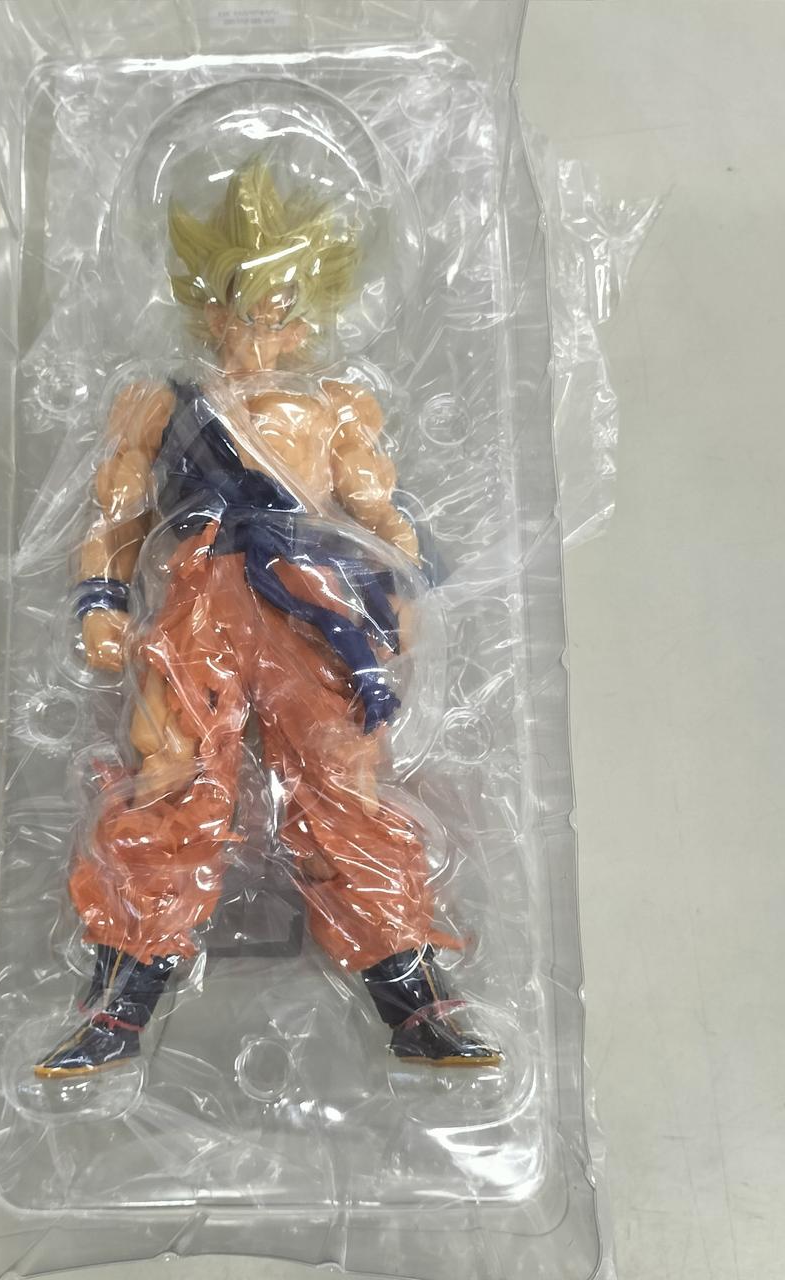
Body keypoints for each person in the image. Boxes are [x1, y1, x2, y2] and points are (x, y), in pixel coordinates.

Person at [36, 159, 497, 1078]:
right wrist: (101, 598)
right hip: (197, 603)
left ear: (304, 318)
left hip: (309, 605)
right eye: (239, 307)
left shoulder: (335, 406)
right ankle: (118, 1000)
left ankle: (414, 1000)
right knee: (170, 782)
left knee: (342, 790)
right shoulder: (161, 402)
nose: (256, 331)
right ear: (209, 310)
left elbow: (379, 511)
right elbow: (116, 516)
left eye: (277, 311)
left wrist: (403, 590)